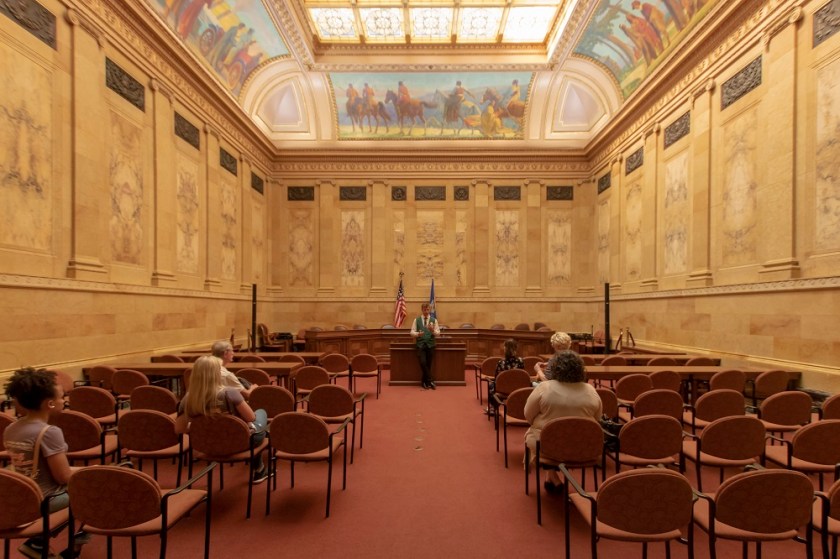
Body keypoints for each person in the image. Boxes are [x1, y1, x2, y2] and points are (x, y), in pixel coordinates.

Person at [4, 368, 88, 559]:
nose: (65, 401)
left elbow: (38, 467)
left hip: (23, 495)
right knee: (99, 489)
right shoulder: (49, 432)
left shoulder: (11, 428)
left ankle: (39, 542)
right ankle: (72, 545)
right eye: (62, 397)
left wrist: (86, 470)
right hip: (46, 499)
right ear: (50, 404)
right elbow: (62, 477)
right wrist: (92, 474)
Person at [175, 356, 268, 483]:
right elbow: (251, 417)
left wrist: (204, 427)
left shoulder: (187, 399)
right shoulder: (230, 393)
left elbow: (179, 429)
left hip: (207, 444)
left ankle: (260, 466)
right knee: (260, 413)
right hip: (238, 442)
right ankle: (260, 468)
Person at [524, 351, 602, 492]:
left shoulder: (544, 387)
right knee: (553, 433)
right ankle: (551, 478)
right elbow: (596, 419)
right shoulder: (591, 390)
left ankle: (551, 476)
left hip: (548, 446)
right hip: (583, 446)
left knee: (541, 433)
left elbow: (528, 415)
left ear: (555, 368)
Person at [486, 338, 526, 415]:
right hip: (518, 389)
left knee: (491, 385)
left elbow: (497, 378)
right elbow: (522, 375)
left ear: (505, 349)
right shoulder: (521, 361)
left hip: (503, 390)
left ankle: (492, 408)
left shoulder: (501, 362)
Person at [410, 302, 440, 390]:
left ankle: (424, 382)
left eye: (427, 309)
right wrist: (418, 334)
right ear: (422, 310)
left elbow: (438, 333)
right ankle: (430, 380)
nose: (426, 311)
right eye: (424, 309)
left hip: (431, 345)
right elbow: (411, 332)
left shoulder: (434, 320)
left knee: (428, 364)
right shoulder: (417, 320)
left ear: (430, 310)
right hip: (420, 345)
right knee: (423, 363)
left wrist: (433, 331)